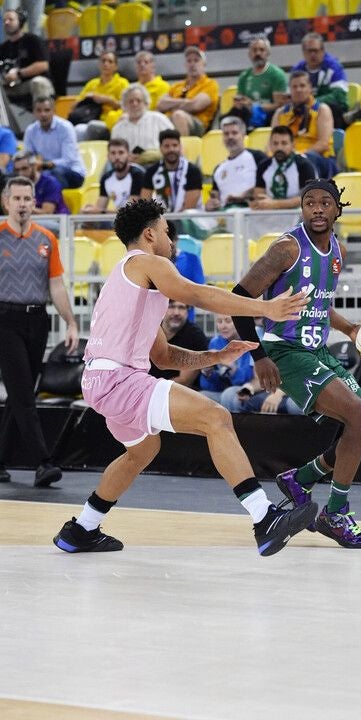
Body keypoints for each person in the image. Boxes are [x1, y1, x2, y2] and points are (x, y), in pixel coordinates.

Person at [52, 198, 316, 557]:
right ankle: (263, 517)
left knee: (142, 451)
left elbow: (162, 355)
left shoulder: (131, 280)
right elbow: (193, 292)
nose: (171, 239)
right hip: (118, 380)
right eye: (164, 231)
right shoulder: (147, 262)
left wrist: (216, 356)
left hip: (101, 380)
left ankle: (81, 528)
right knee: (216, 417)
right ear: (149, 234)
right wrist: (264, 308)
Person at [231, 178, 361, 549]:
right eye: (309, 202)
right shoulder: (286, 248)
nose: (316, 208)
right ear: (302, 209)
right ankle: (334, 513)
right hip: (286, 352)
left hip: (318, 351)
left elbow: (318, 303)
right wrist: (260, 355)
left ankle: (301, 478)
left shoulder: (336, 252)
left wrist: (349, 330)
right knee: (359, 418)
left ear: (337, 209)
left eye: (324, 202)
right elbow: (239, 299)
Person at [0, 176, 79, 487]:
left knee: (21, 394)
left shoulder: (47, 239)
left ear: (34, 203)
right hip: (4, 319)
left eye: (27, 199)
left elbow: (56, 285)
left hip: (38, 320)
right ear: (6, 202)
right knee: (22, 391)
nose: (22, 204)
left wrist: (71, 322)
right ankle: (43, 462)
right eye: (16, 198)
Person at [271, 70, 337, 179]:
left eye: (302, 86)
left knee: (305, 160)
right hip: (288, 157)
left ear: (310, 88)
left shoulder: (322, 109)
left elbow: (323, 144)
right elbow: (271, 143)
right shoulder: (280, 113)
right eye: (294, 87)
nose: (298, 90)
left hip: (318, 158)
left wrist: (299, 155)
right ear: (290, 90)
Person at [23, 95, 86, 189]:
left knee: (53, 174)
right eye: (39, 110)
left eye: (47, 110)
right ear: (34, 113)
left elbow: (68, 160)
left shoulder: (65, 128)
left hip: (72, 172)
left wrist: (43, 164)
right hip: (44, 170)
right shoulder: (30, 130)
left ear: (54, 111)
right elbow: (28, 157)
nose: (43, 114)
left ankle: (57, 203)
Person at [205, 116, 267, 211]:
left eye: (234, 133)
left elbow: (268, 184)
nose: (230, 137)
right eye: (226, 134)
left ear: (243, 135)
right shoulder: (218, 169)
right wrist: (211, 204)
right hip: (225, 214)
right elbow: (215, 197)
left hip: (251, 210)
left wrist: (243, 196)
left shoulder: (257, 157)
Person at [157, 46, 219, 137]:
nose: (192, 64)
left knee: (178, 115)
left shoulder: (210, 84)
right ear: (185, 65)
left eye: (196, 60)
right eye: (189, 61)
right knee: (154, 117)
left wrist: (171, 105)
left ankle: (182, 148)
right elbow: (161, 104)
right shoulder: (177, 86)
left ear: (204, 64)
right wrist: (185, 102)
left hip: (197, 125)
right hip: (169, 120)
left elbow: (195, 105)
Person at [249, 125, 316, 210]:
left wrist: (276, 204)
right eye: (275, 143)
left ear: (293, 145)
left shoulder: (304, 165)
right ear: (270, 145)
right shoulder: (263, 166)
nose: (279, 148)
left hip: (299, 214)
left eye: (284, 143)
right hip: (270, 213)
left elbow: (309, 198)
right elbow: (259, 195)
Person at [291, 32, 348, 129]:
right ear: (304, 52)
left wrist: (311, 102)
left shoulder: (334, 66)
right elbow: (292, 95)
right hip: (304, 111)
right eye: (309, 51)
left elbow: (339, 96)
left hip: (332, 112)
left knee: (332, 108)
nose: (313, 55)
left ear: (322, 51)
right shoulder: (297, 70)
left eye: (316, 51)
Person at [0, 8, 54, 111]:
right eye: (4, 20)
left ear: (20, 21)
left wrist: (19, 73)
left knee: (39, 82)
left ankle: (44, 118)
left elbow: (43, 65)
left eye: (10, 19)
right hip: (10, 87)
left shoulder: (33, 40)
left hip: (30, 83)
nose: (6, 22)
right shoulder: (3, 48)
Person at [149, 299, 208, 388]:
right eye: (171, 307)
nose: (176, 312)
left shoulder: (196, 336)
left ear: (187, 311)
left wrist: (152, 388)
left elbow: (185, 380)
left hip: (179, 392)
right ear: (162, 308)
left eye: (181, 307)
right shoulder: (150, 330)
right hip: (147, 387)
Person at [71, 51, 129, 142]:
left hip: (112, 122)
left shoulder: (122, 83)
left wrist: (107, 100)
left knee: (91, 127)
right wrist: (87, 98)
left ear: (116, 66)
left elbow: (128, 107)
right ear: (99, 64)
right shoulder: (92, 84)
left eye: (110, 61)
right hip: (90, 119)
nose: (106, 64)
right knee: (78, 129)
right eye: (103, 61)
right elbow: (74, 106)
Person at [231, 37, 288, 130]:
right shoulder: (244, 76)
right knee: (228, 117)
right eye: (254, 50)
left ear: (268, 53)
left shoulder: (277, 74)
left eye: (261, 50)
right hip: (247, 114)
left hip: (269, 116)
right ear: (249, 54)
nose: (258, 53)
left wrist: (253, 106)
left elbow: (279, 105)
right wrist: (240, 104)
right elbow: (240, 101)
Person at [110, 83, 174, 166]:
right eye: (131, 101)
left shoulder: (159, 119)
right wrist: (126, 157)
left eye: (138, 101)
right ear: (124, 105)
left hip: (157, 164)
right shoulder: (118, 128)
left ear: (146, 103)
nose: (135, 104)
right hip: (127, 167)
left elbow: (175, 146)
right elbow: (114, 153)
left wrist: (149, 156)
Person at [140, 128, 202, 211]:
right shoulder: (152, 172)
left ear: (180, 147)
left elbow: (189, 207)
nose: (171, 149)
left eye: (175, 145)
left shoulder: (192, 171)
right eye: (167, 146)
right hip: (162, 220)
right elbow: (144, 203)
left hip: (188, 220)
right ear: (160, 148)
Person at [199, 314, 255, 402]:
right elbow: (210, 387)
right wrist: (207, 373)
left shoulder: (251, 342)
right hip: (223, 392)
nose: (223, 326)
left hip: (249, 391)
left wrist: (233, 369)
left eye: (228, 321)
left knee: (229, 396)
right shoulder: (215, 342)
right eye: (219, 321)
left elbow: (249, 380)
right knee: (201, 396)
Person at [82, 139, 144, 214]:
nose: (117, 157)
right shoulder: (106, 178)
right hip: (120, 219)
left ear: (128, 155)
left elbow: (132, 210)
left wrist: (102, 211)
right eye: (113, 153)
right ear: (108, 156)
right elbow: (100, 207)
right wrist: (90, 210)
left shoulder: (137, 174)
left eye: (121, 153)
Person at [167, 219, 204, 322]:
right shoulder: (153, 261)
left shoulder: (192, 259)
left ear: (176, 240)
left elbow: (199, 289)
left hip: (186, 319)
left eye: (171, 242)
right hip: (159, 321)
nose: (168, 246)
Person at [13, 149, 69, 215]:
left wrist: (22, 208)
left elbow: (47, 213)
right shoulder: (15, 185)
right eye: (17, 170)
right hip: (30, 221)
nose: (20, 174)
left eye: (24, 168)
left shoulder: (50, 183)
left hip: (56, 221)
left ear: (34, 166)